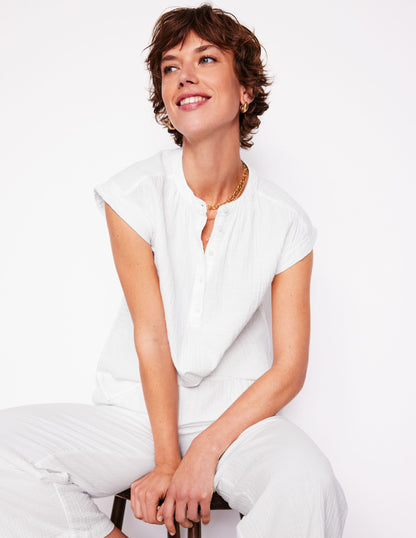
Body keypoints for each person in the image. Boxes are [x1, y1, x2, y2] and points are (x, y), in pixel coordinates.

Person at [0, 5, 348, 537]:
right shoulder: (133, 194)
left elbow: (289, 369)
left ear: (245, 90)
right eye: (170, 66)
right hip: (136, 416)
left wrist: (205, 450)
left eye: (205, 59)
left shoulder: (286, 221)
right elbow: (152, 336)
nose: (184, 75)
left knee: (308, 483)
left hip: (240, 424)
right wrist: (168, 461)